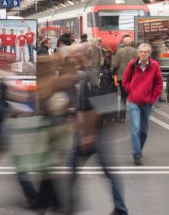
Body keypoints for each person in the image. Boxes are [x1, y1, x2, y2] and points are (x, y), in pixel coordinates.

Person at [68, 46, 128, 215]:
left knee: (71, 168)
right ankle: (120, 208)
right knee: (110, 172)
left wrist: (88, 135)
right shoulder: (106, 74)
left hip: (91, 131)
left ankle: (67, 204)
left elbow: (90, 107)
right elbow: (107, 101)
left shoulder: (88, 76)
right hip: (102, 129)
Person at [121, 43, 163, 165]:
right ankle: (137, 154)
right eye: (141, 51)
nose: (143, 54)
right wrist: (131, 91)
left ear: (149, 54)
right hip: (134, 101)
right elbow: (125, 80)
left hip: (147, 102)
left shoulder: (154, 65)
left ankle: (139, 149)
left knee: (144, 130)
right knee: (135, 128)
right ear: (138, 53)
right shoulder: (132, 64)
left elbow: (159, 83)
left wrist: (153, 98)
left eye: (145, 52)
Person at [111, 37, 137, 122]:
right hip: (133, 78)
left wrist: (113, 73)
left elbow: (115, 65)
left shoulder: (120, 51)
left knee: (123, 97)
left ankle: (122, 117)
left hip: (122, 78)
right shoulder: (136, 51)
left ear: (124, 43)